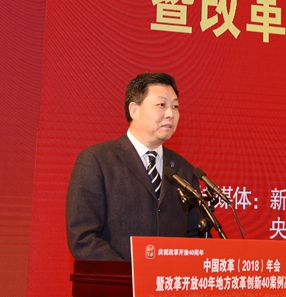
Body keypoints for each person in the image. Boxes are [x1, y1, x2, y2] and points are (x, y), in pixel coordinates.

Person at [66, 72, 201, 260]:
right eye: (161, 105)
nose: (170, 114)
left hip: (168, 278)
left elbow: (195, 238)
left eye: (175, 106)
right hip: (116, 278)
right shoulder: (97, 161)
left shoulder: (184, 171)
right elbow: (83, 238)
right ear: (134, 110)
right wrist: (131, 274)